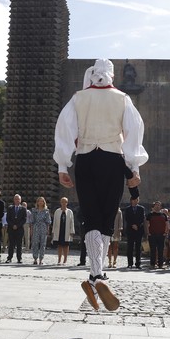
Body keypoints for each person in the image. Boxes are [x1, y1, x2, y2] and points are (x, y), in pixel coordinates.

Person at [53, 58, 147, 311]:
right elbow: (133, 133)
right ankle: (97, 275)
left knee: (91, 217)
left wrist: (63, 165)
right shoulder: (122, 99)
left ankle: (96, 275)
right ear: (112, 75)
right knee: (106, 220)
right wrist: (133, 168)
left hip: (84, 160)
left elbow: (63, 130)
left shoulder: (78, 98)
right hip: (112, 160)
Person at [124, 196, 146, 269]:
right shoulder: (127, 209)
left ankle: (138, 263)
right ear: (131, 201)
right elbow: (127, 218)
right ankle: (130, 263)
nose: (134, 201)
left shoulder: (141, 208)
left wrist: (137, 225)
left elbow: (142, 218)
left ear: (138, 201)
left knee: (138, 247)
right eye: (133, 200)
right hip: (130, 230)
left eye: (136, 200)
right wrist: (132, 225)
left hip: (138, 230)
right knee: (130, 247)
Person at [53, 197, 75, 266]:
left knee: (66, 245)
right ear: (60, 203)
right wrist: (53, 231)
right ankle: (59, 260)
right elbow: (54, 222)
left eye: (65, 202)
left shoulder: (70, 212)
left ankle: (65, 260)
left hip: (67, 230)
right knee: (59, 245)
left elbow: (72, 222)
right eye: (62, 202)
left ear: (67, 203)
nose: (63, 203)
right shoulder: (57, 211)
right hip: (59, 230)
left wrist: (72, 231)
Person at [146, 201, 168, 269]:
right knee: (153, 250)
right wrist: (148, 232)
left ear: (161, 207)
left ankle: (160, 264)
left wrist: (165, 232)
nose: (157, 206)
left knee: (160, 250)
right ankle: (152, 264)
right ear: (154, 206)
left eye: (159, 205)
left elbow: (166, 224)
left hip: (161, 234)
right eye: (156, 205)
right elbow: (147, 224)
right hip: (152, 234)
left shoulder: (163, 215)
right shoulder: (150, 215)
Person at [6, 194, 27, 264]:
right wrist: (12, 225)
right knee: (11, 244)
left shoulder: (23, 209)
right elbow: (7, 218)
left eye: (18, 199)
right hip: (11, 228)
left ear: (20, 200)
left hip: (19, 229)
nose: (17, 200)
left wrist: (17, 225)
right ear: (13, 200)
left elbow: (24, 219)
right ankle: (9, 258)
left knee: (19, 244)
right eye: (15, 199)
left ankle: (19, 258)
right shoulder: (10, 208)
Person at [30, 197, 51, 265]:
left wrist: (48, 230)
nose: (40, 202)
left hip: (43, 227)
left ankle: (41, 259)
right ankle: (35, 258)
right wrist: (31, 230)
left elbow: (48, 222)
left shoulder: (46, 211)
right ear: (37, 202)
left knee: (43, 244)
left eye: (42, 201)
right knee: (35, 243)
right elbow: (32, 221)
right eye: (39, 201)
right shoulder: (34, 210)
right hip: (36, 227)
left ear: (44, 202)